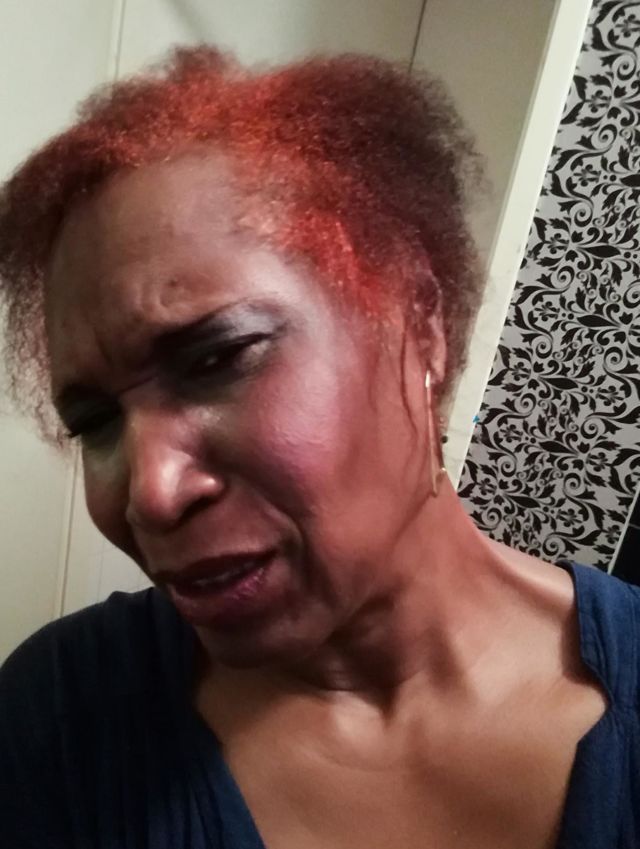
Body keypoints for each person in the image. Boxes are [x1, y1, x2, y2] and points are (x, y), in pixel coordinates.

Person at [0, 46, 637, 849]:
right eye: (95, 420)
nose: (150, 492)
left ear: (419, 322)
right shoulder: (60, 720)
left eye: (218, 358)